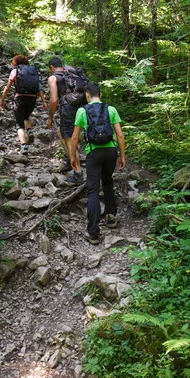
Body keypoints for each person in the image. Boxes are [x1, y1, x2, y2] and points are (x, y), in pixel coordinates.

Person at [70, 82, 125, 244]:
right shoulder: (111, 109)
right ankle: (111, 216)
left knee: (93, 189)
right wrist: (122, 156)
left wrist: (73, 156)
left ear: (87, 95)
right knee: (108, 181)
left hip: (93, 152)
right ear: (100, 95)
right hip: (111, 152)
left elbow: (74, 137)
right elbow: (120, 135)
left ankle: (93, 233)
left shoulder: (82, 111)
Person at [0, 55, 47, 154]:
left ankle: (24, 147)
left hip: (20, 98)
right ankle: (29, 131)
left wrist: (2, 99)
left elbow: (8, 87)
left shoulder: (15, 71)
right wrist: (44, 102)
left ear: (16, 62)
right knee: (26, 117)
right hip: (32, 99)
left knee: (19, 124)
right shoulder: (34, 72)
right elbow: (40, 88)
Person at [47, 56, 83, 182]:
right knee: (61, 133)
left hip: (68, 108)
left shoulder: (53, 78)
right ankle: (70, 159)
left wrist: (50, 117)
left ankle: (78, 173)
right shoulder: (71, 73)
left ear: (51, 67)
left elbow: (54, 100)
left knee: (69, 139)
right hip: (82, 107)